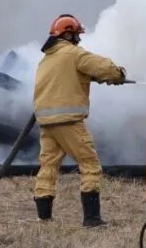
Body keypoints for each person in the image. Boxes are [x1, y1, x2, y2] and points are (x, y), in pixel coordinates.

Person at [31, 14, 127, 226]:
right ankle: (92, 220)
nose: (78, 40)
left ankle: (44, 218)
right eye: (76, 35)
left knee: (48, 167)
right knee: (90, 165)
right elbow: (104, 68)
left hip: (47, 123)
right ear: (67, 34)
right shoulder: (74, 54)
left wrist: (91, 78)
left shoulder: (46, 59)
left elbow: (68, 78)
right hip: (68, 122)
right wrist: (118, 75)